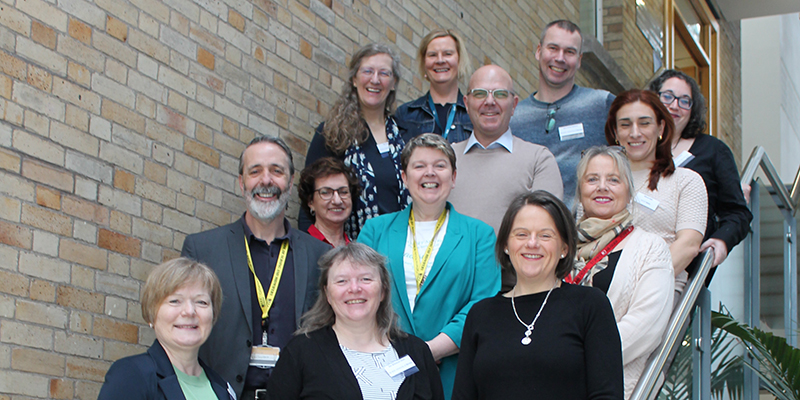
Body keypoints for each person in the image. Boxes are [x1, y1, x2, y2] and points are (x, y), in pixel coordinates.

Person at [181, 135, 331, 400]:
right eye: (255, 171)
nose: (266, 180)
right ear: (241, 182)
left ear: (290, 181)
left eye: (277, 171)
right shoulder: (202, 250)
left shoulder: (320, 255)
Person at [358, 134, 500, 399]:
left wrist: (429, 350)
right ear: (404, 176)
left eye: (440, 165)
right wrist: (395, 349)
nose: (430, 173)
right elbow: (359, 293)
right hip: (381, 366)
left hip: (451, 373)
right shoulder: (374, 230)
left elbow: (484, 304)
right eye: (419, 165)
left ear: (454, 177)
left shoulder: (480, 235)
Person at [452, 191, 623, 400]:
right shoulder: (480, 314)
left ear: (564, 248)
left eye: (545, 235)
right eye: (521, 234)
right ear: (506, 245)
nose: (532, 243)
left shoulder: (590, 305)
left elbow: (607, 394)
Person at [267, 243, 445, 400]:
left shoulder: (417, 352)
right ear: (328, 294)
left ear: (383, 291)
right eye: (342, 281)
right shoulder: (300, 353)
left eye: (365, 279)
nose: (354, 288)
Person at [448, 64, 562, 291]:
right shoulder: (445, 160)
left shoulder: (538, 159)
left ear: (514, 105)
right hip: (449, 291)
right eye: (480, 93)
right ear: (466, 103)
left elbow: (545, 231)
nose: (489, 102)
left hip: (513, 292)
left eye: (500, 94)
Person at [572, 146, 674, 399]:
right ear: (580, 192)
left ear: (629, 191)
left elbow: (645, 326)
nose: (602, 187)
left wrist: (573, 357)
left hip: (619, 388)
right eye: (592, 179)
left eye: (613, 180)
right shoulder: (560, 248)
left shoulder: (650, 248)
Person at [604, 89, 707, 297]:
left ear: (660, 127)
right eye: (625, 124)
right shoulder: (598, 183)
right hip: (600, 291)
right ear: (615, 132)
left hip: (657, 290)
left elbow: (688, 245)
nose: (635, 133)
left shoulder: (686, 181)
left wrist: (637, 284)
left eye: (644, 123)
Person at [648, 70, 752, 275]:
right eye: (668, 96)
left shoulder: (714, 151)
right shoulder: (638, 146)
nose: (675, 105)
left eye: (685, 101)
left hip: (687, 264)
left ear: (692, 110)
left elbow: (737, 213)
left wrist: (721, 241)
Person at [304, 43, 412, 238]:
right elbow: (308, 198)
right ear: (354, 79)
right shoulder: (332, 134)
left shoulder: (408, 137)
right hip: (351, 253)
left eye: (384, 73)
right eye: (367, 71)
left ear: (394, 82)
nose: (375, 79)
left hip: (404, 250)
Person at [509, 20, 615, 209]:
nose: (560, 58)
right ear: (538, 51)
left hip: (587, 232)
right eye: (553, 48)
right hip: (530, 230)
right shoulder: (514, 116)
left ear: (579, 60)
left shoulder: (602, 105)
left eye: (569, 52)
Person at [98, 258, 234, 400]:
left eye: (201, 302)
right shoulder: (131, 376)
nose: (189, 311)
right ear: (152, 313)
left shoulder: (222, 388)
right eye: (175, 301)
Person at [394, 29, 473, 143]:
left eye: (448, 54)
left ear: (460, 60)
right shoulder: (405, 115)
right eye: (432, 55)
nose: (440, 60)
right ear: (424, 63)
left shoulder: (474, 113)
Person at [297, 157, 361, 247]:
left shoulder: (357, 251)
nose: (337, 201)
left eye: (343, 192)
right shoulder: (298, 246)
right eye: (326, 192)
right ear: (310, 202)